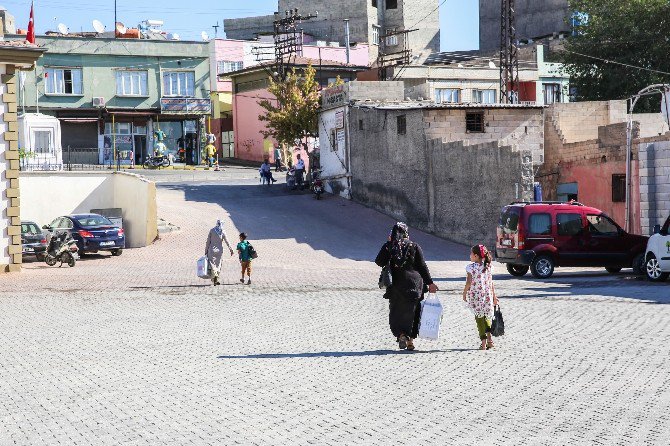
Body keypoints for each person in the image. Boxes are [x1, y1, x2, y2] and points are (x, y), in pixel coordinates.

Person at [375, 222, 438, 351]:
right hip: (414, 285)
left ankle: (402, 334)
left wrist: (388, 246)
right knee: (413, 313)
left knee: (396, 312)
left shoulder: (390, 247)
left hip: (396, 286)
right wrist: (430, 283)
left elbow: (379, 261)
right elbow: (422, 266)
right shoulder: (414, 246)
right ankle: (410, 341)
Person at [462, 244, 499, 350]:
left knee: (479, 318)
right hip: (487, 296)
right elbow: (491, 283)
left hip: (476, 296)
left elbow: (469, 282)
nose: (470, 255)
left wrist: (464, 293)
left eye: (471, 254)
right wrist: (494, 297)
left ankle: (483, 342)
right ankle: (490, 340)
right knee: (487, 316)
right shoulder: (488, 266)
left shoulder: (471, 267)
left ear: (476, 256)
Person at [205, 220, 234, 286]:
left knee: (212, 264)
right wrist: (231, 249)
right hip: (219, 251)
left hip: (211, 250)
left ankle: (214, 276)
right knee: (218, 265)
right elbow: (227, 241)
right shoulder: (223, 231)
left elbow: (208, 242)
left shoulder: (212, 230)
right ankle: (216, 278)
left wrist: (206, 251)